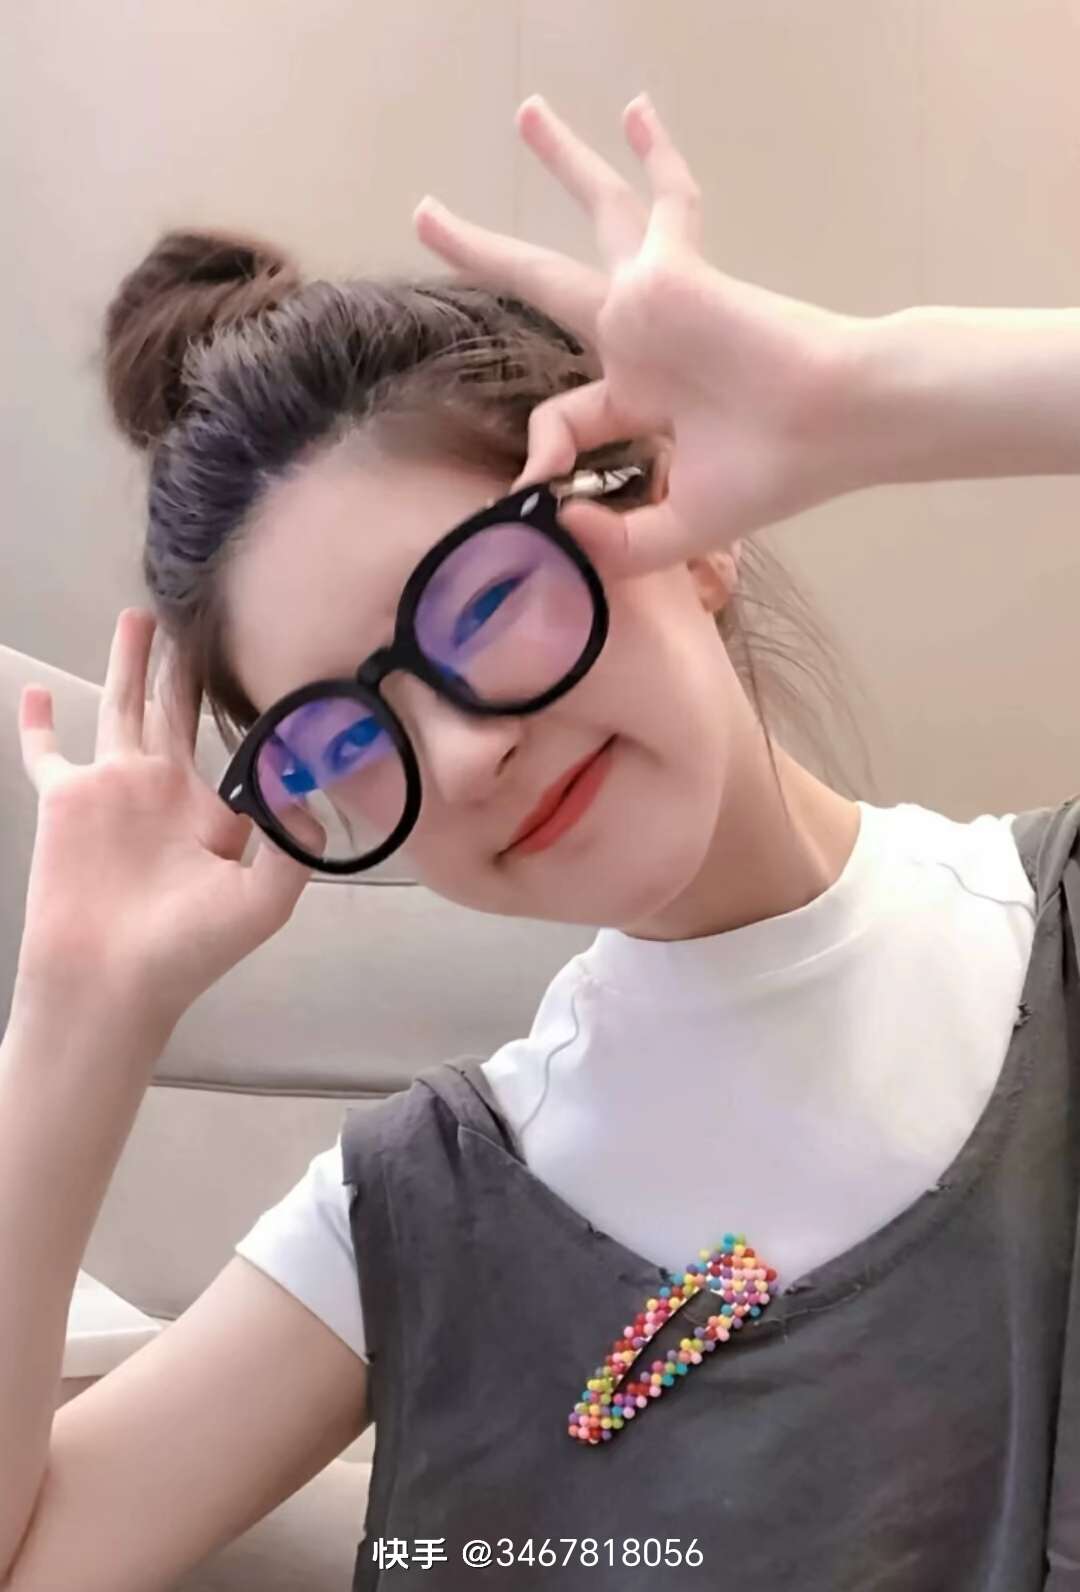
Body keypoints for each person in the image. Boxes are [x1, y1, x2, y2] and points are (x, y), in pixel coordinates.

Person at [1, 90, 1078, 1591]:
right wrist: (77, 1016)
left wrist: (870, 392)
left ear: (689, 522)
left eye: (487, 600)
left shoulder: (1056, 935)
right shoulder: (414, 1209)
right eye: (350, 736)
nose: (463, 754)